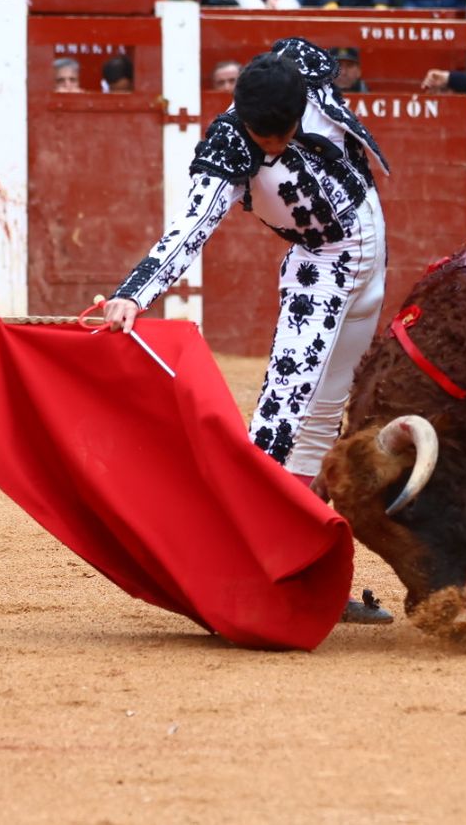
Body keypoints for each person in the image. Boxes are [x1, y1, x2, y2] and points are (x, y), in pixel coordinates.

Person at [104, 41, 395, 625]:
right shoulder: (230, 145)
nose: (275, 147)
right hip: (319, 269)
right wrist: (134, 293)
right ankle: (245, 573)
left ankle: (304, 574)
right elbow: (191, 226)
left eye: (281, 135)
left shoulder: (302, 70)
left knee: (325, 415)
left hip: (372, 260)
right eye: (265, 139)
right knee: (277, 425)